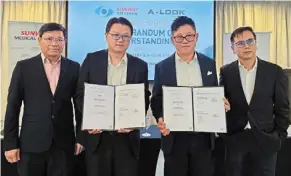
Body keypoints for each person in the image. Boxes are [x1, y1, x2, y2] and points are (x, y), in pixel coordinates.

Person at [150, 16, 230, 176]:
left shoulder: (209, 64)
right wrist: (159, 118)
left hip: (203, 138)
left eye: (189, 36)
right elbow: (156, 99)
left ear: (197, 37)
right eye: (179, 37)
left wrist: (221, 106)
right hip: (174, 137)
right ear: (173, 39)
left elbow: (214, 92)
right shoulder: (162, 67)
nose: (185, 40)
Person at [75, 17, 151, 176]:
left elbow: (143, 97)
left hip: (127, 138)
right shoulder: (91, 60)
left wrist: (134, 121)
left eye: (125, 36)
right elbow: (80, 94)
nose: (120, 40)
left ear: (130, 38)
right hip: (97, 137)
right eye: (115, 35)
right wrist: (90, 119)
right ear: (106, 35)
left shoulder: (140, 65)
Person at [4, 22, 82, 176]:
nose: (54, 43)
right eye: (49, 39)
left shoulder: (74, 67)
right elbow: (13, 106)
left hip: (63, 144)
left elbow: (80, 105)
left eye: (59, 39)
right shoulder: (24, 67)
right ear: (39, 40)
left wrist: (81, 137)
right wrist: (10, 143)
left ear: (65, 42)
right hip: (31, 143)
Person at [219, 26, 290, 176]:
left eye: (250, 41)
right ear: (233, 48)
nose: (246, 46)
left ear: (256, 44)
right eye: (240, 43)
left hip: (266, 139)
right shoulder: (226, 72)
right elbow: (220, 101)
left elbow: (283, 107)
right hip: (236, 139)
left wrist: (279, 136)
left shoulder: (274, 71)